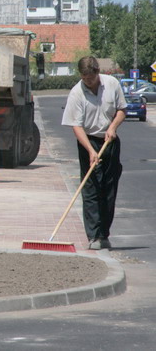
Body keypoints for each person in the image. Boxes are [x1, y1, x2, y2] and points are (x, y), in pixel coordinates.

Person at [62, 56, 126, 250]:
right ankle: (93, 236)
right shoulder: (76, 93)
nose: (87, 81)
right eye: (84, 78)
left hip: (110, 140)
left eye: (90, 77)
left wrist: (113, 127)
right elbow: (76, 125)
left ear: (98, 72)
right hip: (87, 141)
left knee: (108, 189)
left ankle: (104, 234)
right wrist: (90, 150)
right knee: (91, 189)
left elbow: (122, 110)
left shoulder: (112, 84)